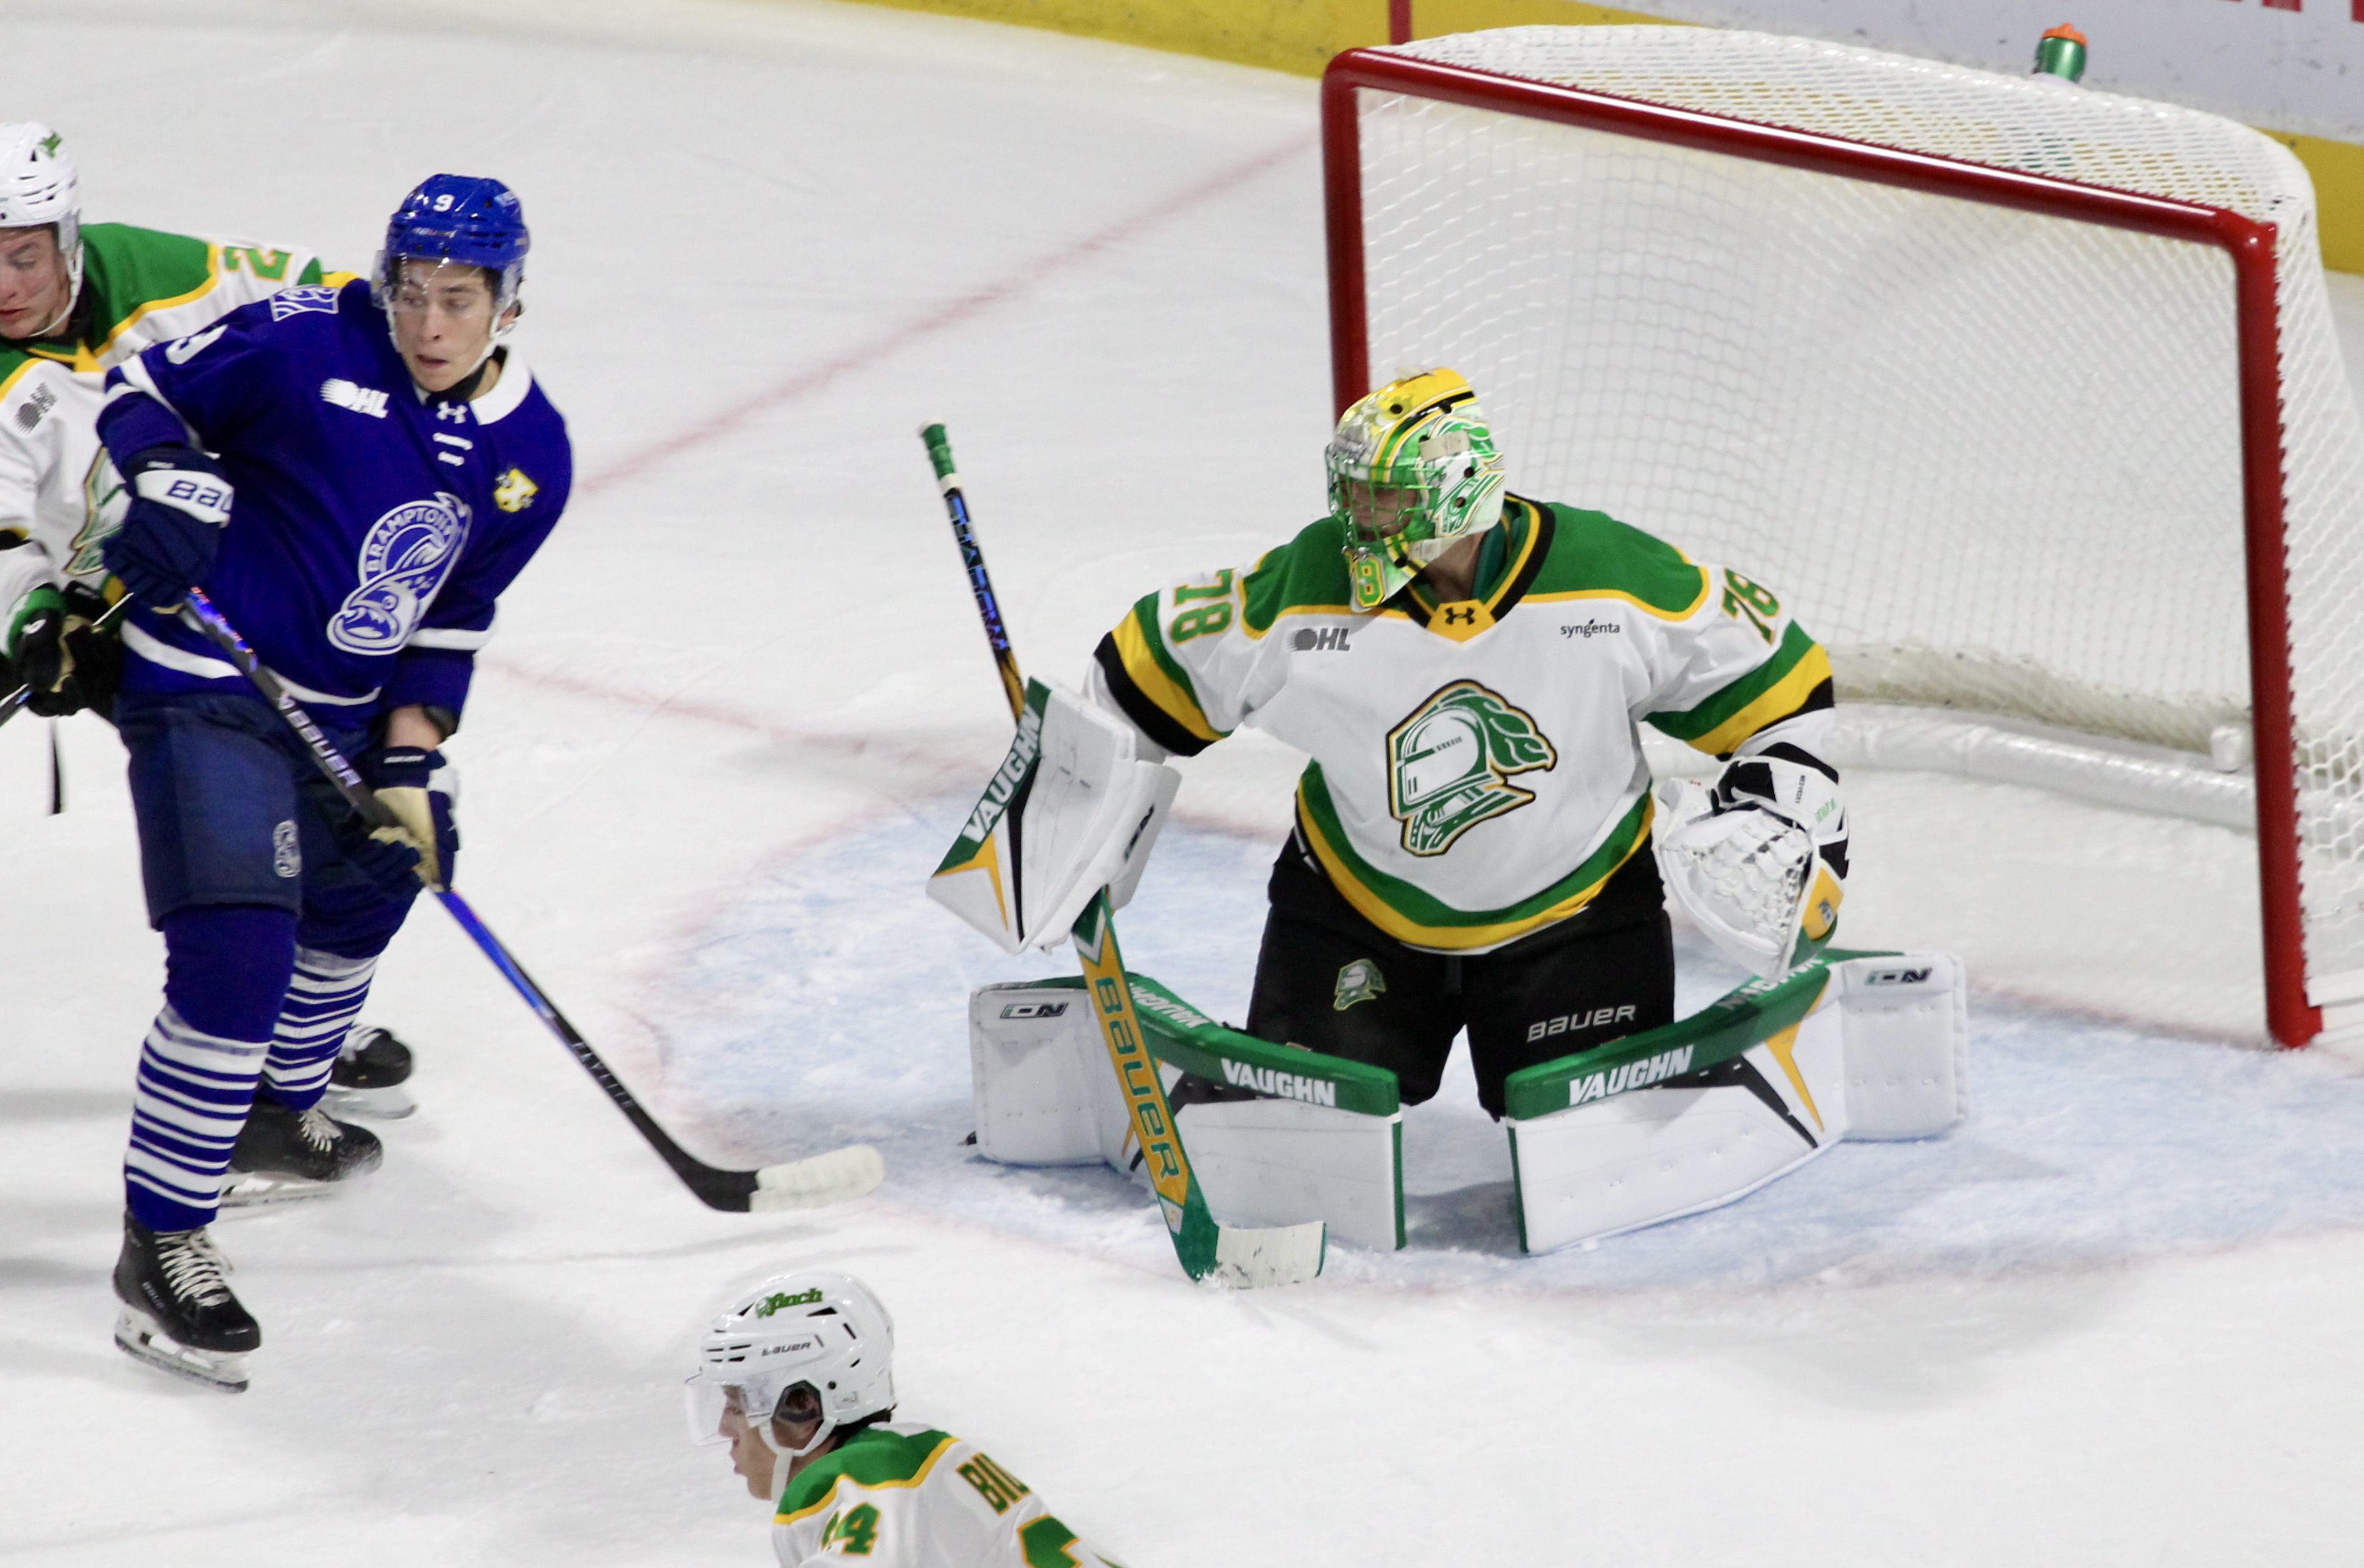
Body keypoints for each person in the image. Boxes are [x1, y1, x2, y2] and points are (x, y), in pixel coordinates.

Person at [94, 173, 571, 1392]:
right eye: (411, 292)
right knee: (238, 952)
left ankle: (271, 1111)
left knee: (380, 881)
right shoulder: (308, 336)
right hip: (207, 681)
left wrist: (412, 754)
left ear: (510, 304)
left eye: (457, 300)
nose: (425, 323)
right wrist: (162, 475)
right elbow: (142, 386)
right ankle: (166, 1240)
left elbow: (450, 615)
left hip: (348, 714)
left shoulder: (532, 454)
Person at [1084, 367, 1851, 1117]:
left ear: (1455, 491)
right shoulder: (1308, 584)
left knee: (1587, 1134)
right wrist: (1074, 802)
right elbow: (1144, 668)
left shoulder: (1607, 577)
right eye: (1351, 489)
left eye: (1384, 494)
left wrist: (1786, 798)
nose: (1359, 512)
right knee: (1302, 1132)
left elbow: (1778, 675)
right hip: (1355, 909)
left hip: (1578, 916)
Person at [0, 120, 421, 1120]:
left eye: (21, 254)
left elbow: (334, 304)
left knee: (318, 789)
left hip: (253, 563)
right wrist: (40, 619)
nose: (4, 284)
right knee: (248, 806)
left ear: (67, 234)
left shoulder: (162, 274)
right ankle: (260, 1012)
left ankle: (290, 1012)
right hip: (108, 604)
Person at [686, 1271, 1125, 1567]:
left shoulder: (863, 1481)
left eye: (738, 1405)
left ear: (802, 1406)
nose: (726, 1427)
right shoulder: (906, 1459)